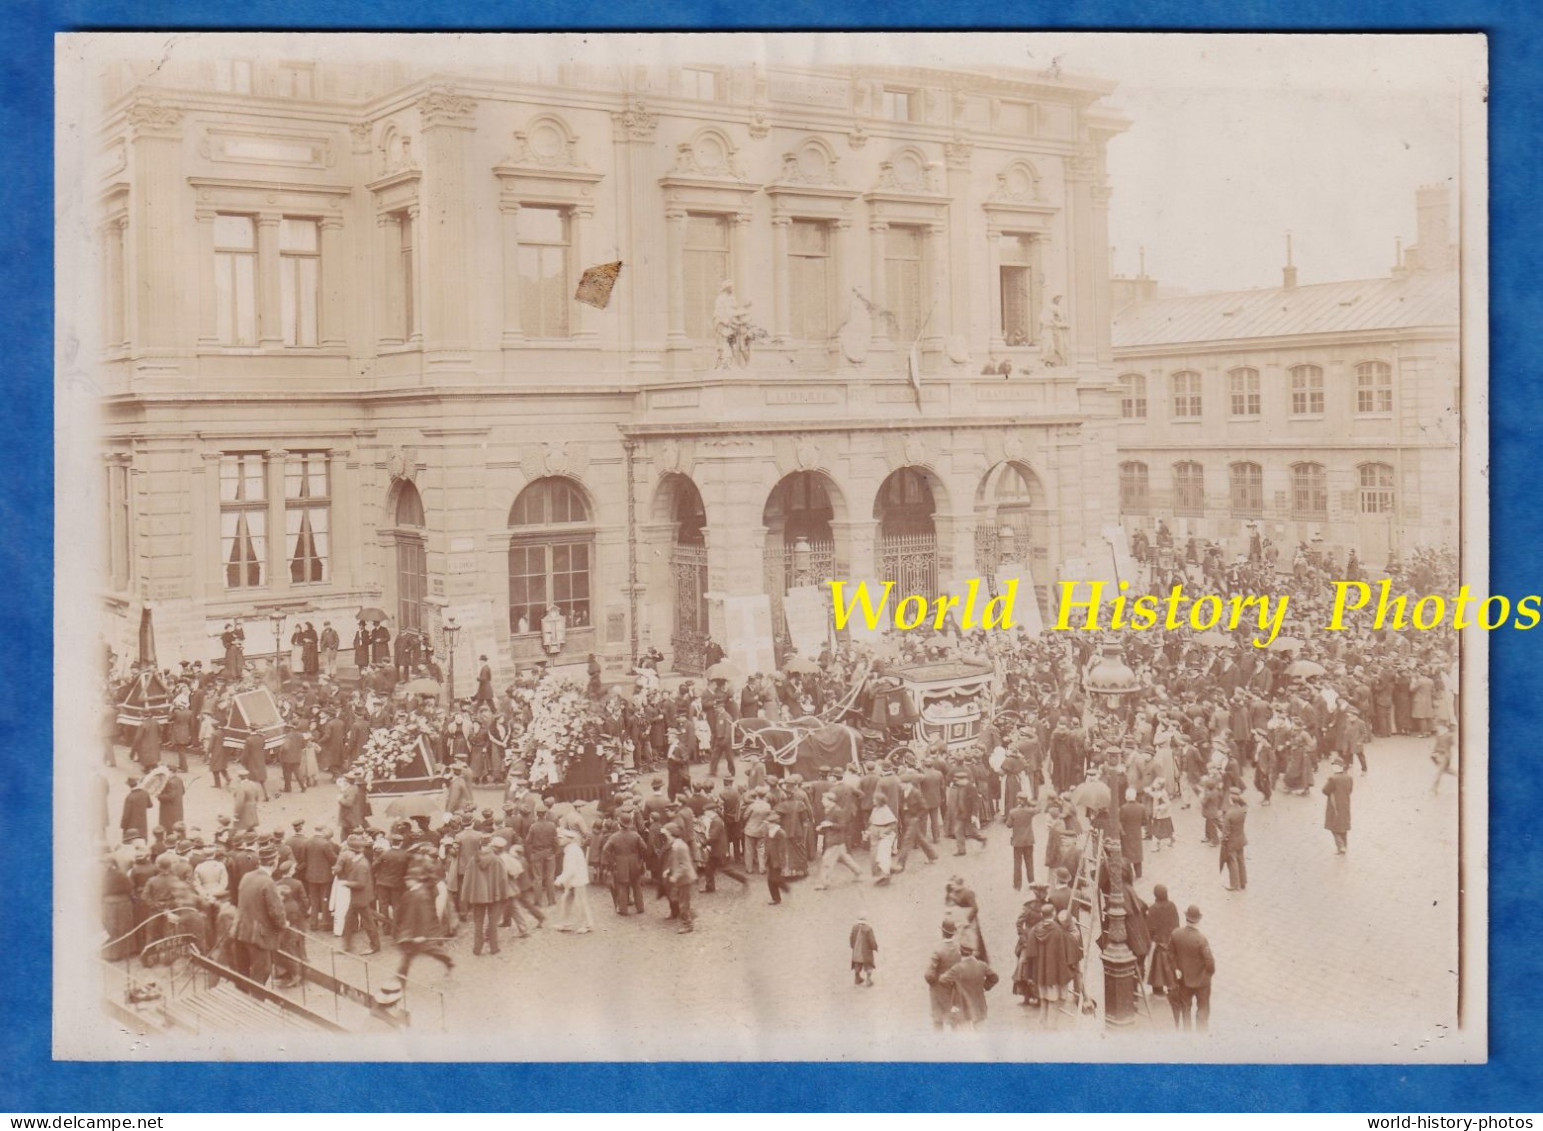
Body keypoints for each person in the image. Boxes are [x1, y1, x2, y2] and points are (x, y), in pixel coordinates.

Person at [230, 843, 286, 986]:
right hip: (258, 936)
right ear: (275, 862)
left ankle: (242, 1001)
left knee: (242, 971)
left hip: (241, 930)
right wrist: (283, 925)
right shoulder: (268, 882)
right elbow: (276, 912)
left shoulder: (247, 876)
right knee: (262, 971)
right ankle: (255, 1003)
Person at [395, 866, 454, 979]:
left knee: (431, 951)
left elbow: (425, 916)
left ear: (416, 880)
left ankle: (448, 962)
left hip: (419, 933)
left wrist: (421, 934)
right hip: (411, 931)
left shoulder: (422, 895)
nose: (406, 881)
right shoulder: (410, 892)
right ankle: (400, 979)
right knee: (408, 955)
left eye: (409, 879)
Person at [463, 832, 512, 954]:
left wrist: (467, 894)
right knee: (493, 922)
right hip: (494, 895)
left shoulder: (474, 858)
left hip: (477, 895)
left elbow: (467, 876)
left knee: (478, 922)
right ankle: (494, 948)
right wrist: (504, 895)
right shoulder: (497, 860)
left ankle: (477, 948)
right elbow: (503, 879)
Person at [1169, 904, 1216, 1031]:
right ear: (1198, 920)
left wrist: (1176, 969)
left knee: (1185, 1008)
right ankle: (1201, 1034)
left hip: (1184, 980)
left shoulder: (1176, 934)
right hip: (1202, 982)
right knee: (1203, 1008)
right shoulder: (1201, 939)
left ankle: (1187, 1034)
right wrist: (1208, 974)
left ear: (1186, 918)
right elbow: (1210, 962)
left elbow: (1170, 955)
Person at [939, 943, 998, 1030]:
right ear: (972, 953)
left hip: (963, 1005)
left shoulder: (957, 968)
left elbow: (942, 979)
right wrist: (985, 986)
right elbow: (994, 978)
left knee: (965, 1034)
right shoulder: (982, 965)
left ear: (960, 953)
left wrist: (953, 986)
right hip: (979, 1004)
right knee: (980, 1033)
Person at [924, 920, 964, 1031]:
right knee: (954, 1018)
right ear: (953, 933)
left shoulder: (938, 950)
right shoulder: (958, 949)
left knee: (938, 1019)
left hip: (938, 990)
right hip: (953, 989)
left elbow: (929, 974)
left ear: (942, 932)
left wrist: (932, 982)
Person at [553, 828, 594, 935]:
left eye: (561, 838)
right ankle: (565, 923)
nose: (559, 840)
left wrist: (560, 879)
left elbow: (571, 870)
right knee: (566, 899)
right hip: (573, 880)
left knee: (581, 902)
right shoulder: (571, 848)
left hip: (578, 880)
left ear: (569, 839)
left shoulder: (572, 850)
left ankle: (586, 925)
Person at [1145, 882, 1180, 997]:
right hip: (1170, 941)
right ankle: (1172, 986)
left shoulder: (1153, 909)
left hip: (1159, 943)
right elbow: (1176, 924)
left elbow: (1150, 928)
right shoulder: (1172, 906)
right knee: (1171, 965)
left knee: (1158, 967)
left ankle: (1158, 987)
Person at [664, 821, 698, 933]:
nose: (666, 837)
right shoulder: (676, 845)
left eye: (667, 835)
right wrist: (669, 870)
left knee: (683, 903)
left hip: (684, 879)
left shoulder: (680, 847)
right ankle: (689, 913)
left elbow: (684, 865)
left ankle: (688, 925)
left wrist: (675, 876)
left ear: (672, 834)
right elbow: (676, 862)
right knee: (677, 898)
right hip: (682, 878)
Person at [1323, 757, 1354, 855]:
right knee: (1343, 827)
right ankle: (1344, 846)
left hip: (1334, 805)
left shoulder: (1333, 778)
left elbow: (1325, 790)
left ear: (1338, 767)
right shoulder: (1349, 777)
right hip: (1345, 804)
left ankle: (1340, 846)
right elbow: (1350, 790)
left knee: (1334, 827)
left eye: (1334, 766)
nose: (1333, 767)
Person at [1006, 794, 1036, 890]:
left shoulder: (1013, 812)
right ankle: (1032, 883)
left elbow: (1008, 825)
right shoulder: (1030, 811)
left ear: (1018, 800)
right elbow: (1038, 808)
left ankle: (1017, 885)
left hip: (1017, 841)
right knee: (1029, 862)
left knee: (1017, 863)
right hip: (1028, 840)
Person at [1220, 789, 1248, 891]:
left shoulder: (1229, 814)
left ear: (1231, 800)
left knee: (1233, 861)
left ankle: (1234, 884)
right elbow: (1245, 804)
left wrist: (1223, 841)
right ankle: (1243, 882)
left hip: (1232, 841)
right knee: (1241, 860)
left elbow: (1226, 832)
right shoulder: (1243, 810)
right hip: (1241, 838)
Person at [764, 810, 792, 906]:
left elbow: (782, 850)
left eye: (769, 823)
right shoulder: (769, 832)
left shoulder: (781, 833)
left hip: (777, 861)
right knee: (771, 879)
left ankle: (776, 898)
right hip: (770, 860)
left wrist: (783, 865)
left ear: (774, 824)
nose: (767, 825)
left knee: (773, 880)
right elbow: (767, 844)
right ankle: (780, 892)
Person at [120, 777, 152, 843]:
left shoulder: (129, 797)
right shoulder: (145, 793)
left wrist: (123, 825)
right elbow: (150, 805)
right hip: (142, 824)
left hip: (131, 825)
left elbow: (126, 815)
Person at [849, 914, 878, 987]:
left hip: (856, 950)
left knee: (857, 964)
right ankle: (868, 980)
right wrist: (875, 947)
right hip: (865, 952)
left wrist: (853, 947)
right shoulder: (868, 929)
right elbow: (872, 940)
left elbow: (851, 938)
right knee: (868, 965)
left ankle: (857, 978)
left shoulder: (854, 928)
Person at [231, 768, 263, 832]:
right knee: (251, 827)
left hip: (245, 809)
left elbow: (239, 802)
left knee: (237, 827)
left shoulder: (241, 787)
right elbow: (257, 797)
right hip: (252, 807)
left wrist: (236, 814)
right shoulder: (253, 784)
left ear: (240, 777)